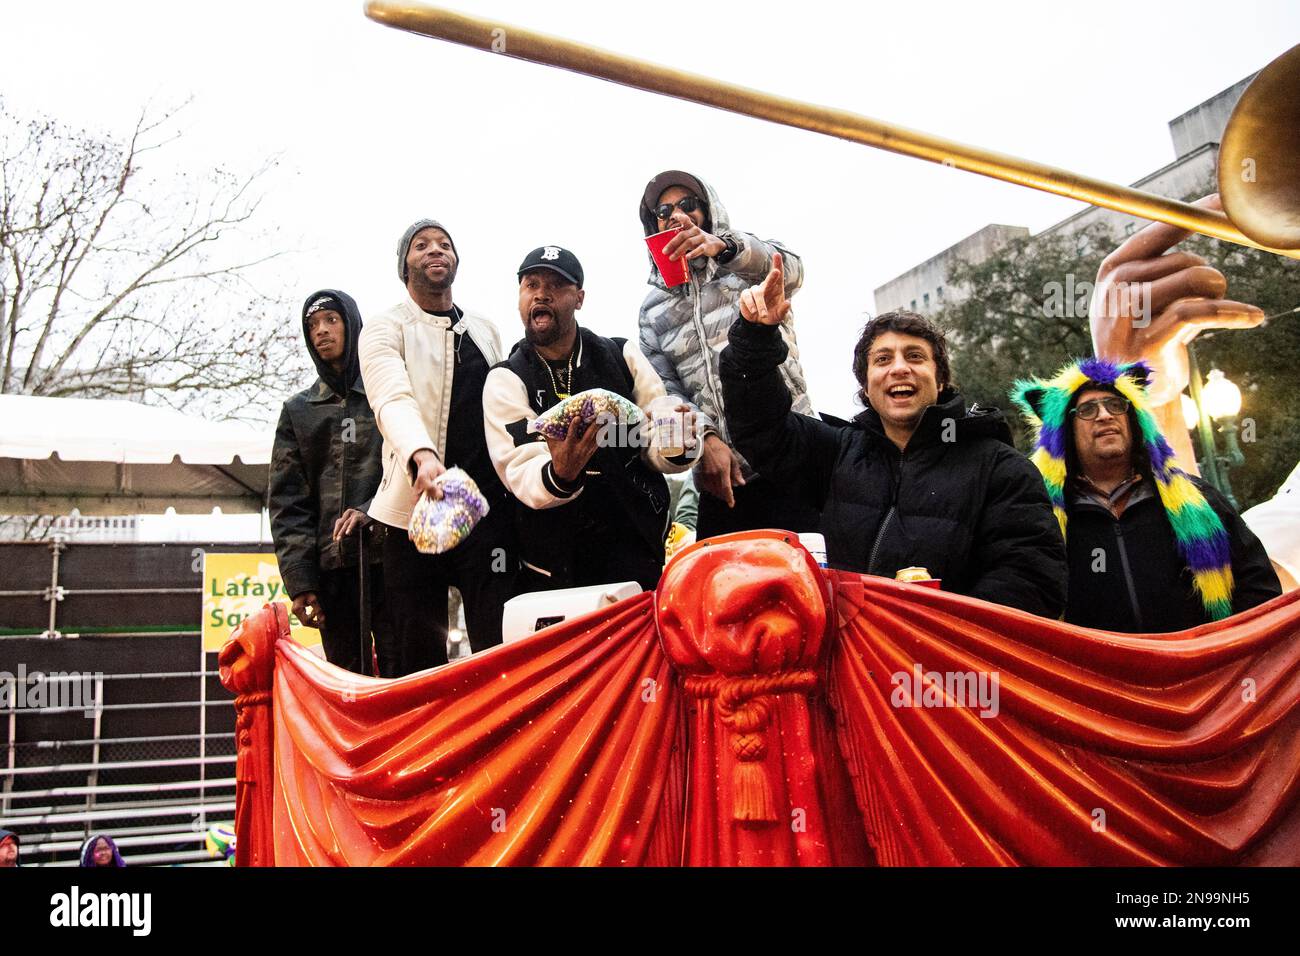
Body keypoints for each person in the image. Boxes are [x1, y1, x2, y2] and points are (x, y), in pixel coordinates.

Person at [719, 255, 1066, 617]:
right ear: (866, 387)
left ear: (942, 379)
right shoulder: (836, 453)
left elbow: (1033, 578)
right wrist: (755, 340)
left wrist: (936, 624)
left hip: (950, 668)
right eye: (882, 360)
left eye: (915, 356)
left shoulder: (1000, 467)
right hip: (855, 665)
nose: (899, 368)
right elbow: (761, 428)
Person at [1012, 357, 1281, 632]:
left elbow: (1257, 588)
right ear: (1064, 432)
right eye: (1087, 409)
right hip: (1094, 673)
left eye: (1116, 405)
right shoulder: (1041, 520)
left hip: (1200, 668)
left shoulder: (1200, 500)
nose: (1105, 415)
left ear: (1135, 421)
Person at [484, 245, 697, 592]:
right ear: (520, 297)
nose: (541, 294)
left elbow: (655, 434)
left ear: (579, 298)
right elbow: (517, 467)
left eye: (556, 285)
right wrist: (559, 475)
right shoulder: (505, 378)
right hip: (550, 568)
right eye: (531, 285)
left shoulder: (622, 354)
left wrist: (679, 443)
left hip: (635, 554)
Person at [359, 219, 515, 673]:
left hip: (483, 509)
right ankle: (429, 739)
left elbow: (504, 401)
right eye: (421, 245)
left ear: (456, 262)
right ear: (404, 265)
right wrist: (421, 456)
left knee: (496, 643)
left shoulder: (485, 329)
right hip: (413, 511)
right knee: (418, 654)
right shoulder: (385, 328)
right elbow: (391, 397)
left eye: (444, 245)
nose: (435, 251)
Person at [637, 170, 819, 538]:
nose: (675, 215)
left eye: (688, 204)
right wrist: (704, 439)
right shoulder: (651, 310)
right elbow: (663, 390)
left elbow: (794, 271)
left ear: (708, 210)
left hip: (796, 459)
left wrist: (725, 247)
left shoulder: (747, 269)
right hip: (723, 479)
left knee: (815, 582)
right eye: (664, 210)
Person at [270, 289, 393, 675]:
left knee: (405, 675)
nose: (321, 331)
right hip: (333, 573)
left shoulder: (387, 396)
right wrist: (301, 582)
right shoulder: (298, 411)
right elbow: (288, 503)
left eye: (331, 320)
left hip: (394, 562)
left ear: (352, 325)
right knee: (346, 685)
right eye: (312, 326)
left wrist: (372, 512)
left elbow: (407, 465)